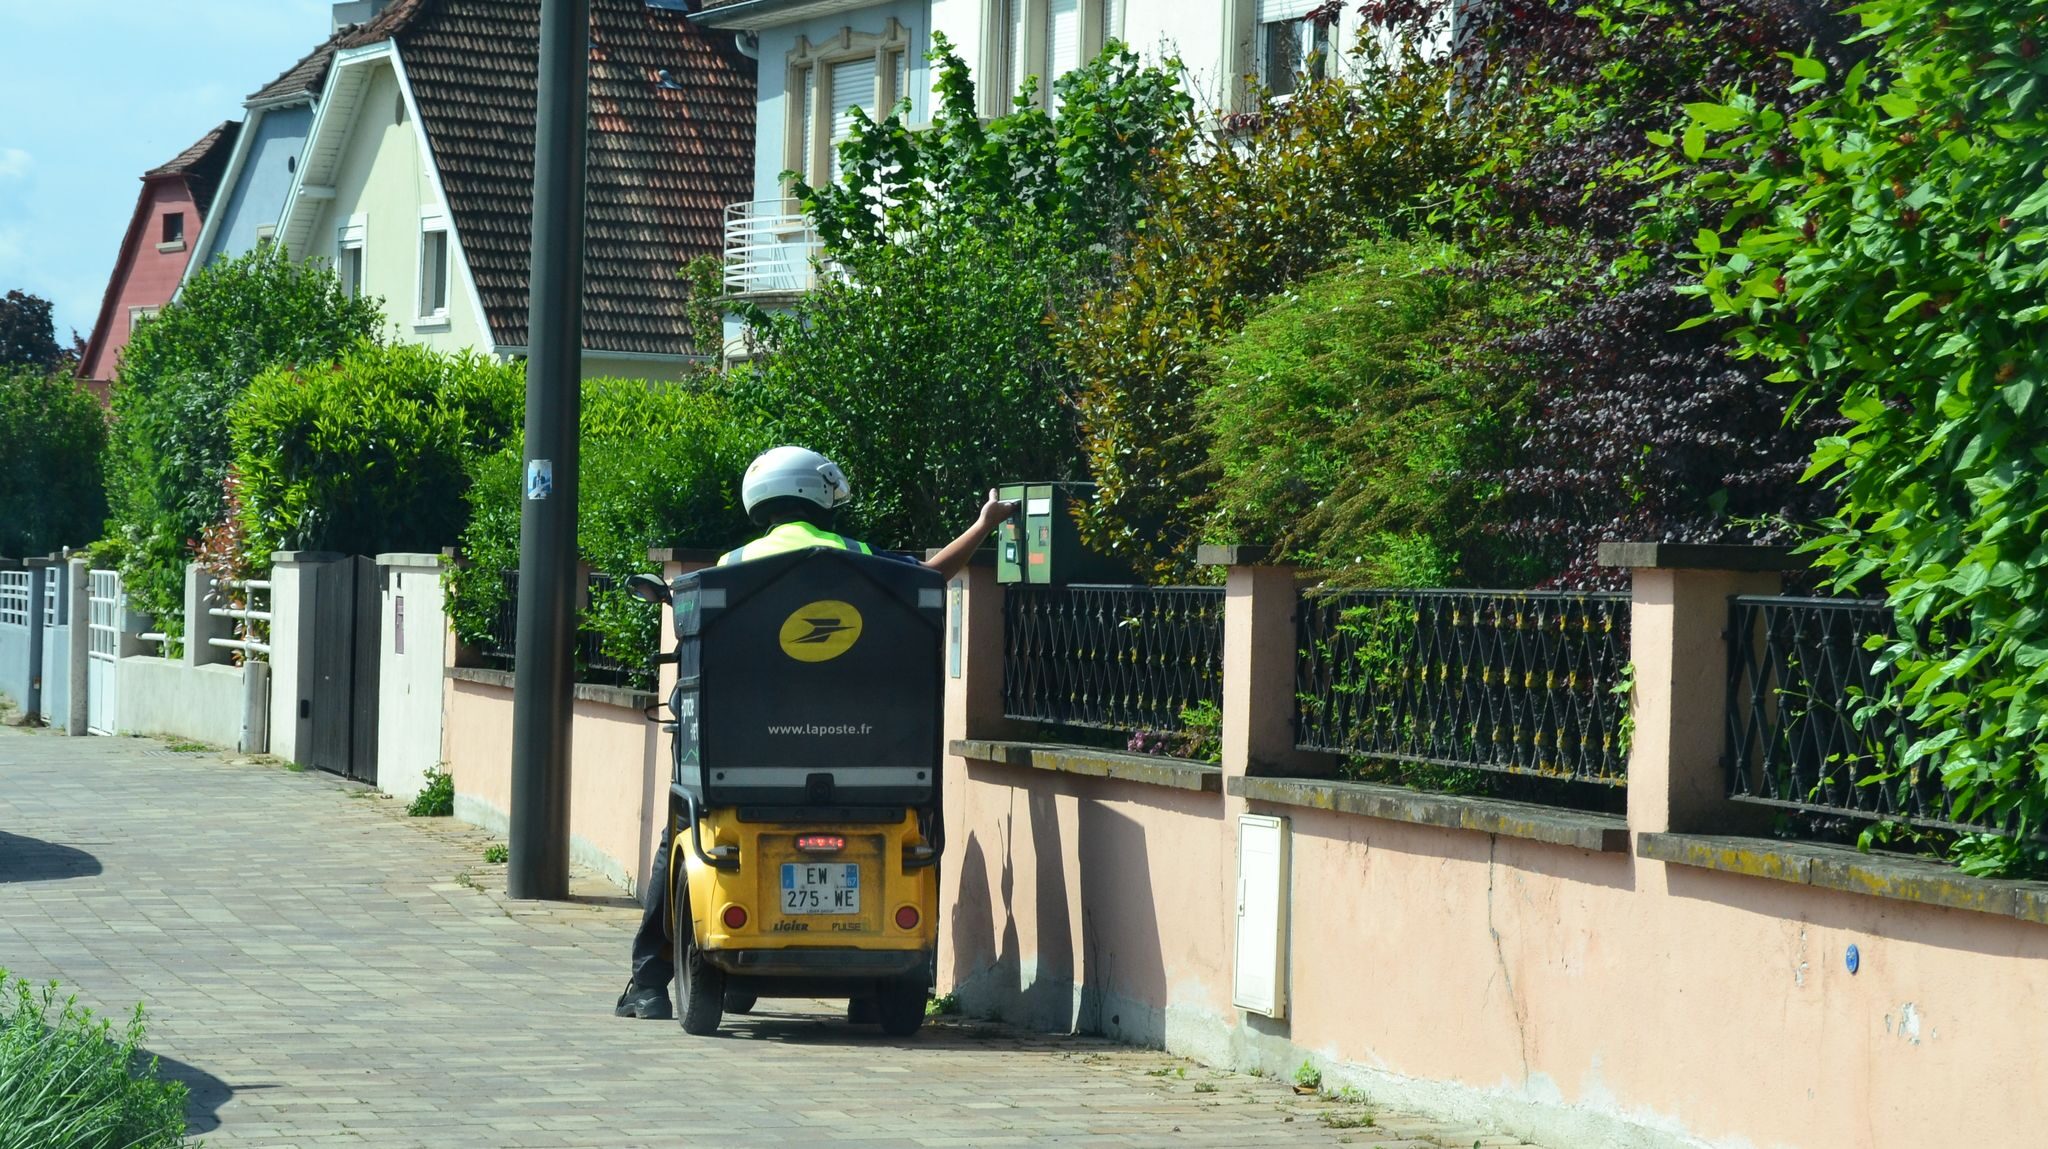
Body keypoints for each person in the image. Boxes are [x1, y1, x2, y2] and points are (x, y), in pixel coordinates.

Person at [616, 446, 1017, 1019]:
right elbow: (929, 580)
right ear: (822, 496)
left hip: (744, 780)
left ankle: (649, 983)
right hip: (880, 780)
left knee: (676, 834)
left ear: (762, 501)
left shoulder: (736, 564)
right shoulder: (861, 560)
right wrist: (982, 525)